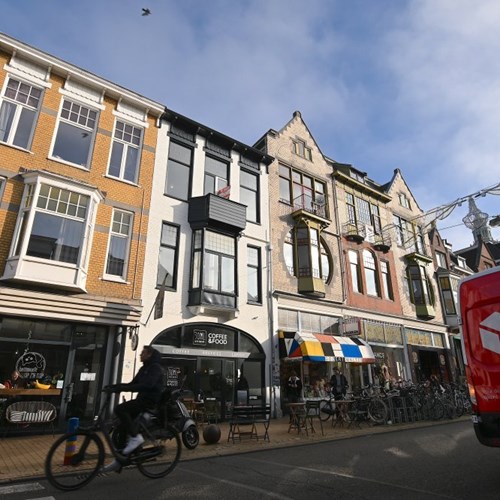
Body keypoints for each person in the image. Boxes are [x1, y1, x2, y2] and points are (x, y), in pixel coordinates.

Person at [103, 346, 165, 472]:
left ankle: (136, 437)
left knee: (120, 409)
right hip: (141, 400)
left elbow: (147, 385)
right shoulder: (144, 368)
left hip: (149, 402)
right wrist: (115, 386)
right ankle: (120, 460)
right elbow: (133, 384)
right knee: (121, 427)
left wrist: (121, 389)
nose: (140, 355)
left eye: (143, 353)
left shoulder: (156, 368)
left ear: (149, 355)